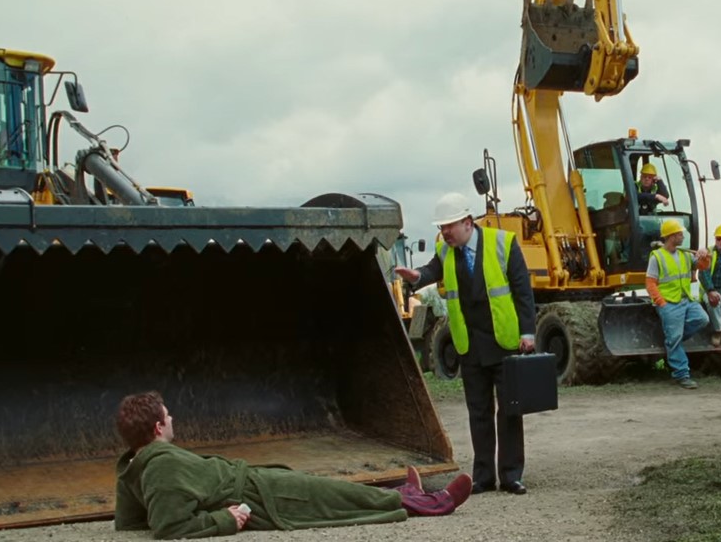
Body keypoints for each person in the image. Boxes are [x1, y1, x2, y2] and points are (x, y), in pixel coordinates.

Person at [114, 391, 473, 539]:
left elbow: (130, 521)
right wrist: (225, 519)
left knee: (329, 491)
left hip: (254, 484)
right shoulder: (160, 466)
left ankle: (403, 492)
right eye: (167, 416)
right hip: (258, 497)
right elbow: (168, 527)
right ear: (159, 427)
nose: (173, 417)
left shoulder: (135, 464)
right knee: (329, 497)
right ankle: (433, 503)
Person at [394, 192, 538, 495]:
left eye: (449, 226)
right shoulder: (445, 250)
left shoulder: (503, 243)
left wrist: (528, 332)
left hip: (505, 340)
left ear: (468, 222)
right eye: (441, 227)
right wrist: (417, 275)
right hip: (469, 344)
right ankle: (483, 476)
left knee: (510, 411)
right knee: (479, 412)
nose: (444, 232)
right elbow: (432, 269)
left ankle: (511, 475)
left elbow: (523, 290)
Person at [645, 219, 711, 389]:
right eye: (680, 234)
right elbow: (650, 283)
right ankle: (682, 375)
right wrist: (661, 303)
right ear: (671, 236)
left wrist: (706, 255)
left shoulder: (685, 254)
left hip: (687, 300)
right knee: (674, 337)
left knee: (702, 319)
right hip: (669, 304)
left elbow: (703, 266)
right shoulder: (657, 257)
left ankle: (672, 342)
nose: (683, 236)